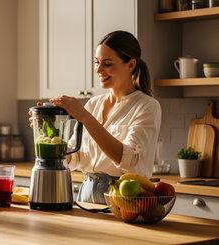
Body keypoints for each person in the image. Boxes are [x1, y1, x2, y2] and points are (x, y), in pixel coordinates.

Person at [32, 31, 161, 204]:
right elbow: (73, 156)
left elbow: (127, 159)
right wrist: (48, 131)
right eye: (97, 62)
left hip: (124, 195)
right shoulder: (93, 103)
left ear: (130, 65)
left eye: (107, 64)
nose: (99, 70)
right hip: (86, 192)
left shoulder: (147, 106)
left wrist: (85, 118)